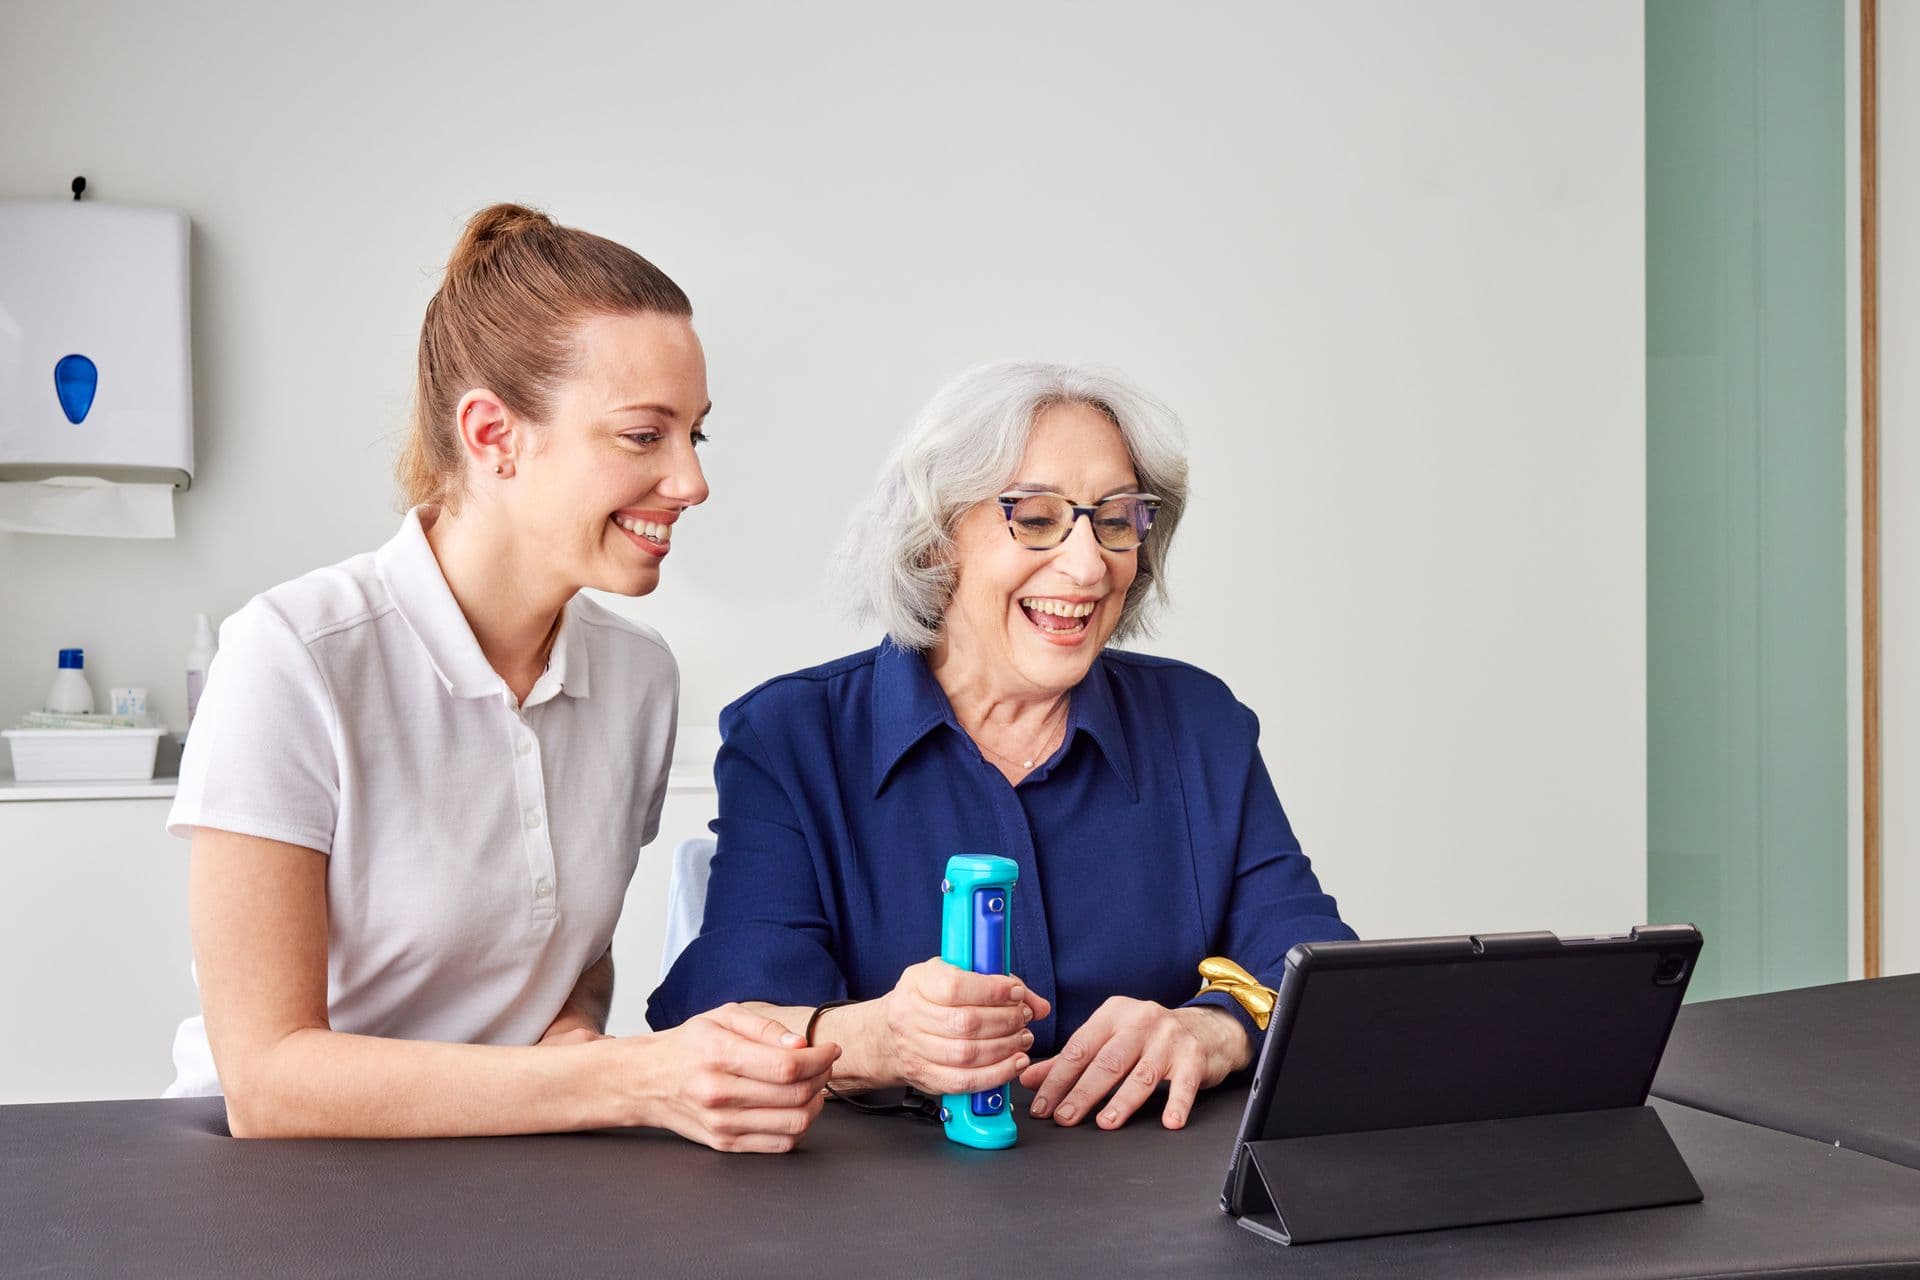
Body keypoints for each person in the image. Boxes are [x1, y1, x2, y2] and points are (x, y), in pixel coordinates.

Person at [166, 204, 836, 1148]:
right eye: (646, 436)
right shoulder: (294, 656)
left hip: (518, 1159)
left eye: (697, 435)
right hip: (284, 1182)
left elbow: (565, 960)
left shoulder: (638, 678)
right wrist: (624, 1076)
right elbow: (268, 1083)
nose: (691, 482)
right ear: (492, 435)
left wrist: (572, 1031)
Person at [649, 361, 1352, 1132]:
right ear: (935, 538)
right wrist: (882, 1040)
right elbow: (732, 1018)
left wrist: (1215, 1028)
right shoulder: (792, 737)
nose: (1088, 566)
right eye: (1037, 516)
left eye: (1116, 519)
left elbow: (1315, 966)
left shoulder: (1200, 722)